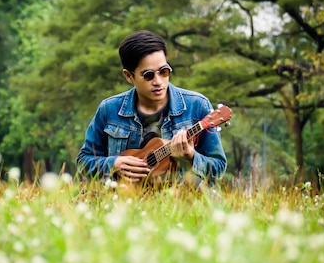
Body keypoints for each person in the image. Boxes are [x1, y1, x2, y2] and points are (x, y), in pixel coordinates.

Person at [76, 30, 227, 186]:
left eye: (164, 72)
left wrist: (191, 157)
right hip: (125, 200)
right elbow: (83, 161)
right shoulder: (109, 109)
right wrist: (113, 164)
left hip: (180, 202)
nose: (158, 81)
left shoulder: (197, 106)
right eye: (148, 75)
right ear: (129, 76)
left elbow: (219, 168)